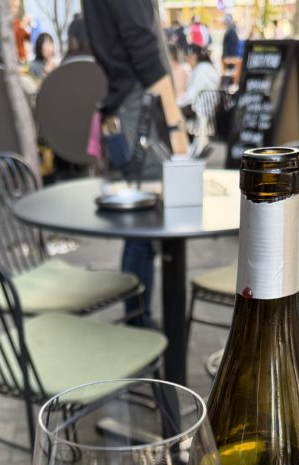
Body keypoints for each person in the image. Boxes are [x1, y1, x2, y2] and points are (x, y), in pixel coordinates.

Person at [82, 0, 189, 327]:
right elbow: (143, 50)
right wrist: (175, 124)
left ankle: (138, 320)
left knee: (140, 226)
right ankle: (140, 324)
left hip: (125, 105)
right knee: (146, 225)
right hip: (139, 109)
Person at [177, 44, 220, 115]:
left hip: (201, 112)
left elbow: (190, 96)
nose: (188, 60)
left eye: (190, 57)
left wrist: (176, 104)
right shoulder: (205, 67)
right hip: (208, 110)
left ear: (196, 57)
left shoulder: (201, 70)